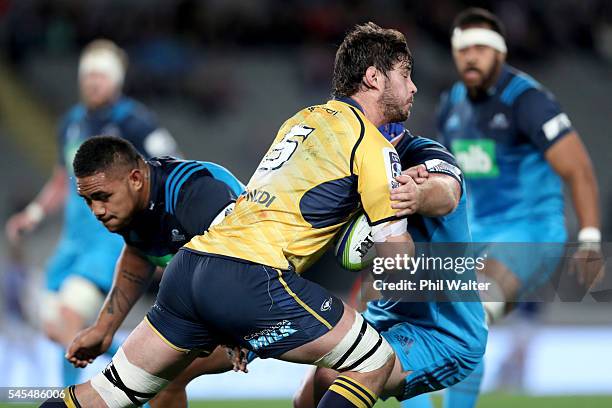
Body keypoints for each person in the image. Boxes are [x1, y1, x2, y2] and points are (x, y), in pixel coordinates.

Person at [43, 22, 417, 408]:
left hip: (188, 271)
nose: (413, 88)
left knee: (106, 394)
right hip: (252, 277)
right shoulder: (372, 145)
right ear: (374, 78)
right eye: (405, 75)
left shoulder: (301, 122)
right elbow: (395, 254)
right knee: (375, 359)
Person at [402, 8, 603, 408]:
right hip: (477, 233)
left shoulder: (527, 101)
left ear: (501, 52)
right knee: (416, 319)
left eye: (481, 48)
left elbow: (578, 168)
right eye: (463, 50)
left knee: (469, 310)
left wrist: (590, 239)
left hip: (531, 233)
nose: (471, 57)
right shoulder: (452, 104)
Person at [5, 39, 179, 386]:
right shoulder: (71, 122)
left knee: (70, 318)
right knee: (57, 328)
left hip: (109, 243)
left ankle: (76, 397)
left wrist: (162, 224)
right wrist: (35, 214)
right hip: (71, 244)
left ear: (115, 80)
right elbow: (60, 177)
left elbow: (172, 164)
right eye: (88, 76)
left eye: (100, 76)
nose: (92, 82)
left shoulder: (134, 122)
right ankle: (142, 361)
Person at [292, 123, 487, 406]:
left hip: (444, 332)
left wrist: (417, 195)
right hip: (387, 314)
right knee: (305, 397)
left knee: (332, 377)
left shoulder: (422, 154)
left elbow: (447, 192)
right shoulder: (349, 165)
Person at [66, 135, 245, 408]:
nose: (97, 211)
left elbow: (241, 259)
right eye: (88, 200)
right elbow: (138, 255)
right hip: (221, 302)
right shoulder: (133, 205)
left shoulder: (194, 191)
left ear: (136, 179)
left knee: (162, 377)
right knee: (308, 396)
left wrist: (233, 326)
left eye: (102, 197)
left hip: (261, 294)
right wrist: (104, 328)